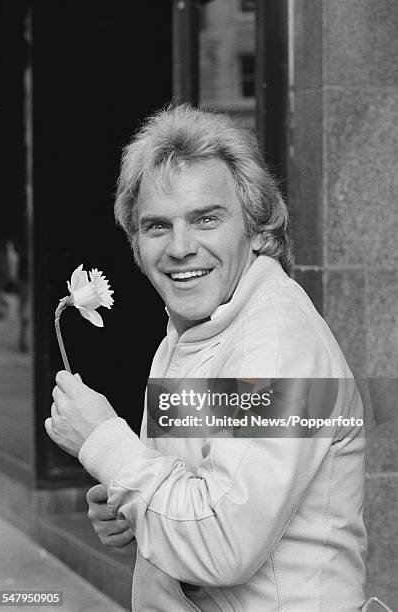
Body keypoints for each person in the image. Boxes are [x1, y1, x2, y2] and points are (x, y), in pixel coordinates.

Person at [46, 104, 367, 611]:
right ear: (135, 242)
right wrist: (133, 504)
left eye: (206, 219)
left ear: (258, 228)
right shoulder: (195, 330)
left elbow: (222, 545)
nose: (179, 247)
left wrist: (104, 443)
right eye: (156, 226)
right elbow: (200, 490)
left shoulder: (277, 348)